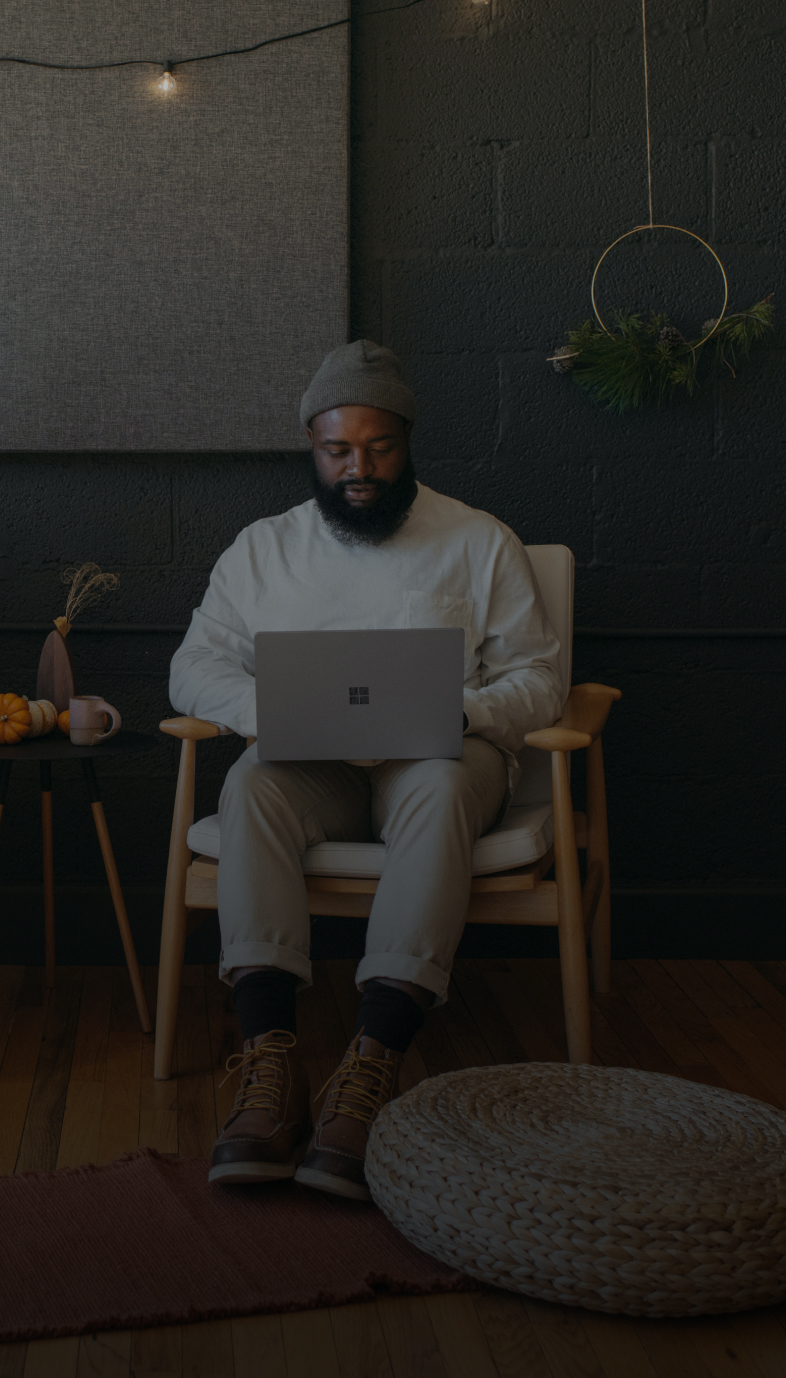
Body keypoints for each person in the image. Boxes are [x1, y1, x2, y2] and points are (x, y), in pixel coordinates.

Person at [169, 340, 562, 1198]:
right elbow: (193, 666)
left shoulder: (478, 540)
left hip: (437, 761)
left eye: (378, 449)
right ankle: (270, 1069)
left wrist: (464, 711)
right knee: (249, 783)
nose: (358, 468)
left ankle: (375, 1057)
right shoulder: (262, 550)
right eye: (337, 450)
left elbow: (541, 679)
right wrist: (265, 715)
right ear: (312, 446)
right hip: (315, 767)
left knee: (442, 782)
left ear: (407, 440)